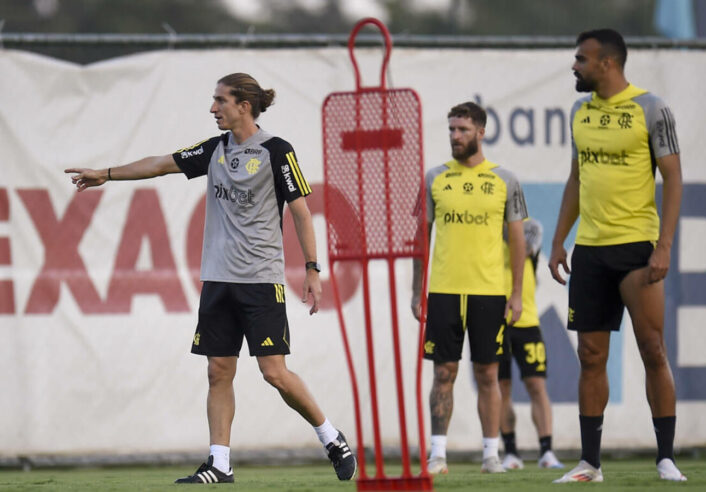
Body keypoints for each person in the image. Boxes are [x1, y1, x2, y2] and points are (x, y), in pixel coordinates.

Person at [65, 73, 356, 484]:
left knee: (274, 372)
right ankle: (220, 462)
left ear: (244, 106)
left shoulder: (277, 151)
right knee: (218, 371)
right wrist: (106, 174)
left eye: (220, 100)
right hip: (218, 281)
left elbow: (302, 212)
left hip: (260, 281)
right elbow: (161, 164)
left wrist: (312, 268)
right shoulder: (214, 150)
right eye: (214, 100)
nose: (213, 108)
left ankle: (331, 438)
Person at [548, 29, 685, 483]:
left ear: (607, 63)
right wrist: (557, 241)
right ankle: (590, 463)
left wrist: (664, 245)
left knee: (653, 349)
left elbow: (674, 178)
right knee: (590, 355)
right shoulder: (579, 112)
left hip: (636, 248)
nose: (575, 66)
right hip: (590, 249)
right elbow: (575, 180)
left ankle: (665, 457)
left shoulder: (651, 108)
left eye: (581, 60)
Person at [411, 101, 528, 475]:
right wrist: (418, 291)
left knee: (488, 375)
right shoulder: (434, 178)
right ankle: (438, 456)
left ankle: (491, 455)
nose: (454, 136)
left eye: (461, 129)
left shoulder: (505, 180)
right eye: (450, 129)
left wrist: (517, 293)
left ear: (481, 131)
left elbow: (517, 242)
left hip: (489, 293)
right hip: (444, 291)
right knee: (443, 373)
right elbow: (420, 239)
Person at [498, 218, 564, 471]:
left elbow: (525, 244)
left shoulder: (527, 226)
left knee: (537, 385)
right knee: (501, 388)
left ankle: (547, 451)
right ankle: (511, 452)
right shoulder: (489, 227)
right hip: (496, 321)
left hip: (527, 320)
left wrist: (502, 225)